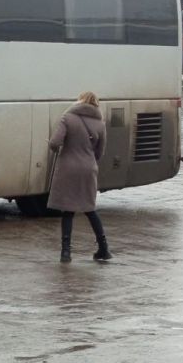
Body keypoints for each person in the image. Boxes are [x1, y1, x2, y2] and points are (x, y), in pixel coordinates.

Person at [47, 91, 111, 263]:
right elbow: (100, 152)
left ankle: (66, 253)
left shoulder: (68, 117)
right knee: (90, 209)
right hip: (88, 169)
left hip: (68, 168)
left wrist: (59, 152)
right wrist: (88, 160)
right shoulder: (100, 124)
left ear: (80, 101)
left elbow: (54, 142)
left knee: (68, 211)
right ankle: (104, 249)